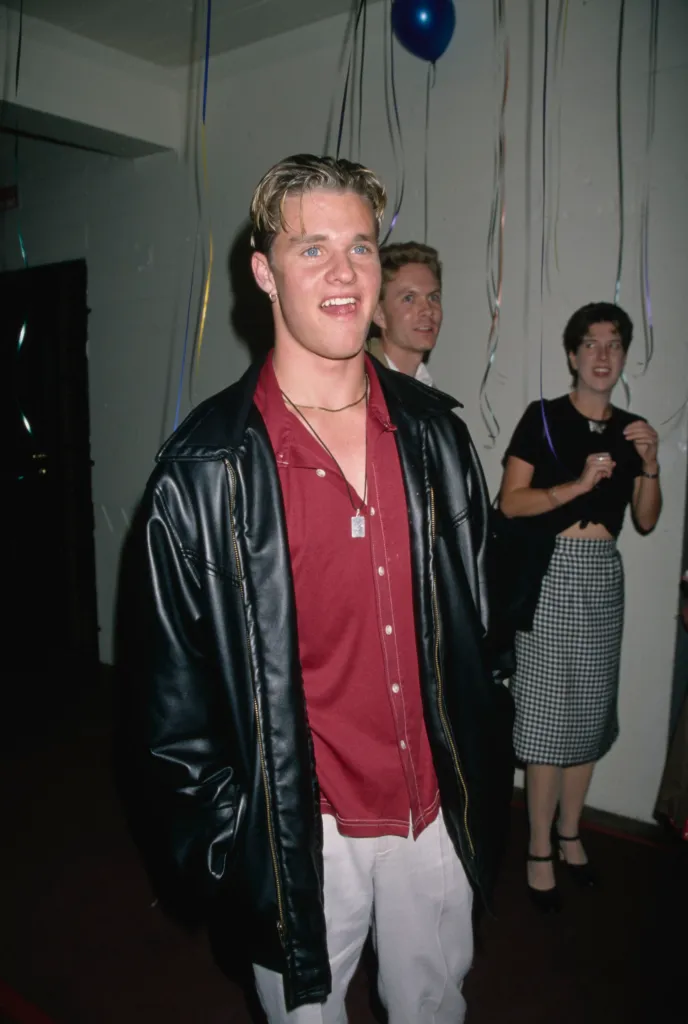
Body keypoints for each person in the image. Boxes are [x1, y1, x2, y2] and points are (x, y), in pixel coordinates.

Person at [119, 154, 513, 1022]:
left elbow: (484, 631)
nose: (344, 273)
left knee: (435, 1008)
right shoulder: (201, 475)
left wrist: (481, 772)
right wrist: (235, 847)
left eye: (363, 248)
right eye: (312, 249)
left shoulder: (437, 441)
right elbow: (168, 719)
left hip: (432, 821)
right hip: (301, 837)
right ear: (263, 271)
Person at [497, 301, 661, 912]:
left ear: (622, 356)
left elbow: (645, 520)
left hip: (603, 576)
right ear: (572, 355)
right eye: (589, 343)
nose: (601, 354)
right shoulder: (541, 419)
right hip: (551, 571)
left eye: (613, 344)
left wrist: (650, 464)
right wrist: (575, 486)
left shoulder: (634, 426)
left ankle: (571, 834)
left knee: (588, 716)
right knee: (544, 718)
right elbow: (509, 503)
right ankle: (538, 846)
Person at [367, 241, 442, 385]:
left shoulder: (427, 388)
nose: (427, 310)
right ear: (379, 314)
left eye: (433, 297)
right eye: (409, 298)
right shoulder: (358, 387)